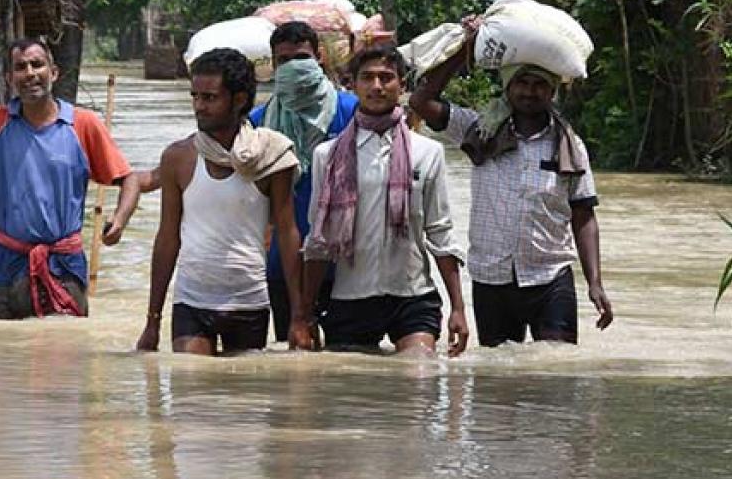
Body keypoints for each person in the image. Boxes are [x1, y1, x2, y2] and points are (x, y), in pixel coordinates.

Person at [0, 25, 140, 319]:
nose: (30, 73)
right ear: (9, 79)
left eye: (37, 64)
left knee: (66, 354)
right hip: (9, 263)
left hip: (64, 263)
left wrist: (120, 220)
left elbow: (129, 179)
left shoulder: (83, 124)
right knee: (6, 355)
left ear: (54, 72)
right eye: (20, 67)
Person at [409, 19, 614, 346]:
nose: (530, 92)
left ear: (551, 91)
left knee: (555, 373)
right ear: (507, 86)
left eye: (539, 85)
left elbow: (584, 216)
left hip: (550, 276)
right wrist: (464, 50)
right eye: (522, 82)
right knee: (496, 380)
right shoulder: (477, 130)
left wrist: (595, 283)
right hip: (492, 277)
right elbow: (421, 102)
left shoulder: (569, 146)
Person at [297, 43, 468, 356]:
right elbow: (318, 242)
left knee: (418, 375)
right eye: (367, 77)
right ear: (352, 84)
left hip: (412, 294)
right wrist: (304, 313)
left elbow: (441, 232)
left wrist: (458, 307)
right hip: (350, 296)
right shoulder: (328, 156)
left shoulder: (428, 153)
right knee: (355, 397)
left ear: (402, 85)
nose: (377, 86)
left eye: (386, 77)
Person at [135, 48, 302, 355]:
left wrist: (299, 316)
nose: (199, 106)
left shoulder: (271, 156)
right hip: (192, 300)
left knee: (240, 399)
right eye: (195, 96)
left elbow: (288, 233)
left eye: (209, 98)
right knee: (190, 383)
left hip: (248, 299)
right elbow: (168, 238)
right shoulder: (178, 158)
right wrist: (153, 320)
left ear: (239, 100)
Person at [248, 21, 358, 348]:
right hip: (284, 263)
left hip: (345, 265)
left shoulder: (351, 111)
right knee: (294, 362)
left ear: (320, 58)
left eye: (301, 58)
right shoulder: (258, 121)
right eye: (284, 61)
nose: (293, 67)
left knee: (345, 360)